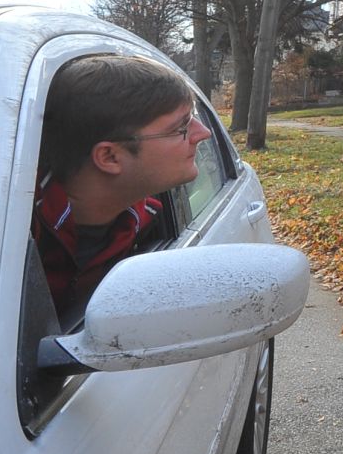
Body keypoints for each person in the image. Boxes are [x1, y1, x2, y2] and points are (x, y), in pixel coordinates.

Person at [33, 53, 213, 318]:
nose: (204, 133)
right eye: (181, 127)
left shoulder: (147, 218)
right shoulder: (13, 235)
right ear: (110, 157)